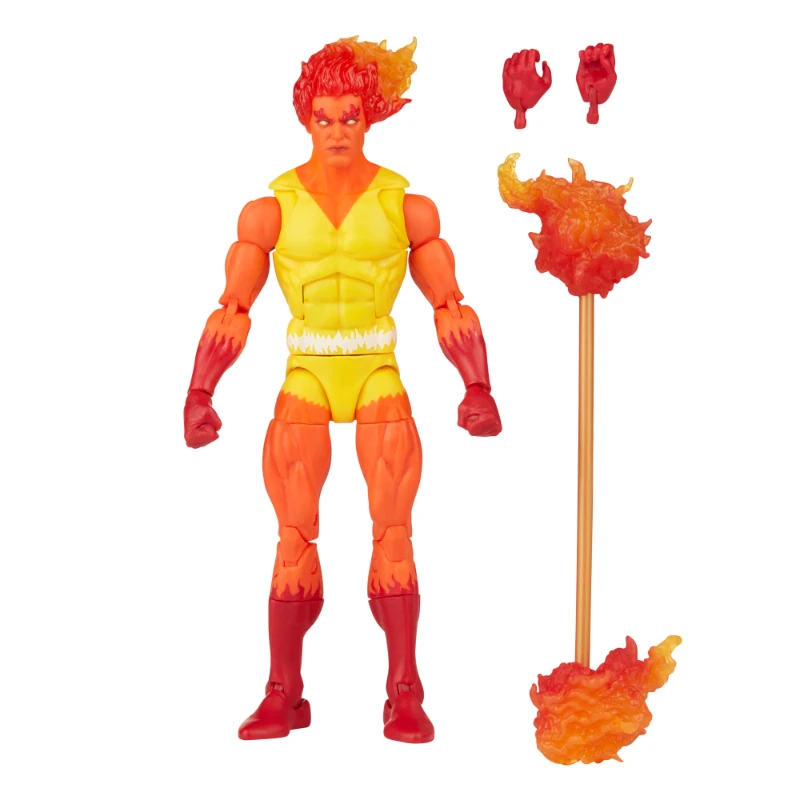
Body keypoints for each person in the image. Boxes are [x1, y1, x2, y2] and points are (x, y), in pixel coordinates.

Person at [183, 37, 501, 744]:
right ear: (305, 118)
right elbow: (234, 306)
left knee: (394, 533)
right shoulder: (269, 211)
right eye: (323, 117)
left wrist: (476, 384)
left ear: (370, 118)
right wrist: (200, 391)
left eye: (349, 117)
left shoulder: (407, 208)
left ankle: (404, 691)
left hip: (376, 363)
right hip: (308, 367)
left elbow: (448, 301)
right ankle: (284, 691)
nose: (336, 130)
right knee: (293, 537)